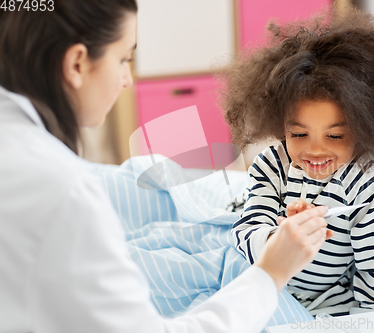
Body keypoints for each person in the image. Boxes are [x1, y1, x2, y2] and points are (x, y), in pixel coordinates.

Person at [0, 1, 332, 332]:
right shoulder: (64, 190)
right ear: (76, 63)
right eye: (124, 58)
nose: (127, 79)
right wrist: (269, 274)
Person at [222, 8, 374, 316]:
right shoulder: (272, 164)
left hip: (327, 300)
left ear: (364, 129)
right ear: (281, 126)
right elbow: (246, 228)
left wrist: (373, 321)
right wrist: (278, 236)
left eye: (334, 136)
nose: (315, 150)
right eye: (298, 134)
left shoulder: (368, 181)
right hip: (260, 279)